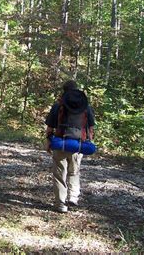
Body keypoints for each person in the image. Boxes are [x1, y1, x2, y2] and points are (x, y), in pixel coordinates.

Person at [44, 80, 95, 213]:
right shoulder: (85, 106)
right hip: (78, 145)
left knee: (60, 174)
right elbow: (91, 127)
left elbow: (50, 126)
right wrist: (87, 141)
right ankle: (73, 196)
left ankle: (61, 204)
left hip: (60, 143)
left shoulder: (58, 105)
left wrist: (48, 141)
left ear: (64, 90)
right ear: (76, 89)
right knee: (74, 171)